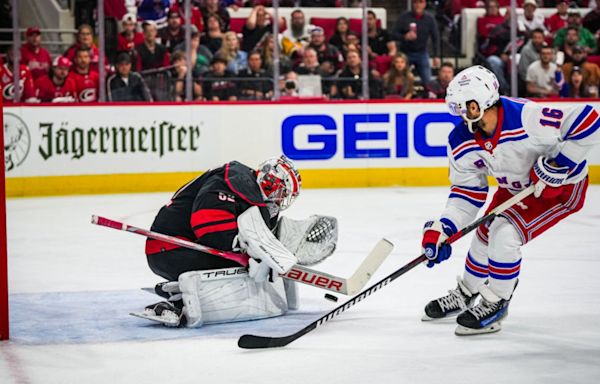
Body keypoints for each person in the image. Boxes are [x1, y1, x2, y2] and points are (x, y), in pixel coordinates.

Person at [421, 65, 599, 335]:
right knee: (483, 234)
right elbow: (467, 194)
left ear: (477, 103)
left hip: (558, 190)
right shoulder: (461, 139)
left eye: (461, 107)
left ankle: (497, 301)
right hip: (515, 189)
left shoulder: (527, 117)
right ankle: (467, 292)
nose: (458, 114)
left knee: (504, 235)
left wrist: (561, 164)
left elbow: (589, 120)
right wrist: (444, 228)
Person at [139, 156, 302, 327]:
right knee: (246, 270)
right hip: (170, 249)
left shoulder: (246, 186)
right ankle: (179, 298)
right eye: (282, 192)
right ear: (270, 184)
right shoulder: (235, 182)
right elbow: (207, 226)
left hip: (178, 248)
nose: (282, 199)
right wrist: (244, 251)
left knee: (251, 268)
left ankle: (178, 290)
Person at [392, 0, 440, 85]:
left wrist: (436, 55)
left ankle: (428, 96)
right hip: (405, 53)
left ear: (424, 4)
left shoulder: (429, 19)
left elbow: (435, 37)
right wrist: (405, 37)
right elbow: (394, 34)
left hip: (422, 52)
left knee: (428, 80)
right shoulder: (404, 17)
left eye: (420, 2)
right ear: (412, 4)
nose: (418, 5)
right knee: (401, 79)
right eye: (415, 2)